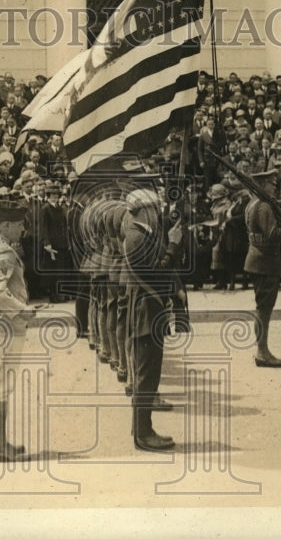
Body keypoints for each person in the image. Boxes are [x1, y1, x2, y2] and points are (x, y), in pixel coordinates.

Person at [0, 199, 40, 462]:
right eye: (18, 225)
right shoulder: (1, 252)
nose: (22, 230)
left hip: (2, 322)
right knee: (0, 385)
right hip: (4, 324)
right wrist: (22, 309)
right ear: (4, 225)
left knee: (3, 383)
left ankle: (1, 442)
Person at [123, 188, 177, 452]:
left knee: (150, 371)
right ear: (144, 210)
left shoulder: (144, 234)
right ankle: (143, 434)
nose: (159, 213)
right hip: (146, 310)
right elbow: (155, 273)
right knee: (146, 374)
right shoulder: (135, 237)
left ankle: (141, 428)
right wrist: (174, 245)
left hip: (150, 309)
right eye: (156, 208)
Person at [243, 169, 281, 368]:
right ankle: (262, 351)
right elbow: (273, 235)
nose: (274, 187)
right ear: (263, 185)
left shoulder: (253, 203)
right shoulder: (263, 207)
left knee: (262, 308)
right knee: (264, 310)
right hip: (265, 261)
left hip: (257, 259)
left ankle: (262, 349)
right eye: (271, 184)